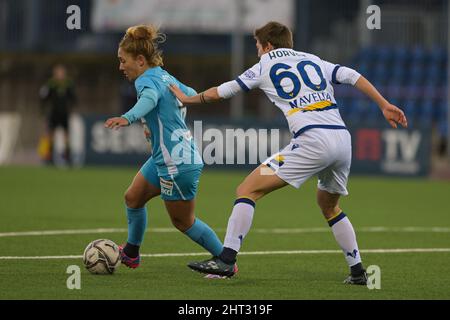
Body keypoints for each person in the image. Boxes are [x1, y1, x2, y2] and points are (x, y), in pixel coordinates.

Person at [170, 21, 408, 284]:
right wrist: (384, 104)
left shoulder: (264, 64)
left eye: (258, 46)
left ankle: (225, 260)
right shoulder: (312, 59)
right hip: (342, 140)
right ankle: (358, 272)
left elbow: (223, 92)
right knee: (329, 206)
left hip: (312, 140)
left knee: (247, 189)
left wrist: (187, 98)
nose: (258, 52)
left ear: (268, 46)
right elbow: (352, 76)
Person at [104, 25, 225, 271]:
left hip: (176, 163)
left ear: (139, 60)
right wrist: (159, 117)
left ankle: (226, 260)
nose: (120, 66)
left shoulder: (145, 81)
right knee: (133, 198)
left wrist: (129, 117)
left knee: (183, 222)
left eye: (122, 60)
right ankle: (131, 253)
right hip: (167, 157)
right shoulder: (164, 75)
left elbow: (148, 99)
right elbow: (188, 94)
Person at [39, 64, 76, 165]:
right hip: (53, 113)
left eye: (62, 72)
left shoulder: (68, 84)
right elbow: (43, 97)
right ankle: (49, 157)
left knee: (66, 135)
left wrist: (72, 108)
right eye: (58, 72)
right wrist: (42, 111)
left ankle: (67, 156)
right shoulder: (51, 84)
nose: (60, 74)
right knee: (50, 134)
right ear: (55, 73)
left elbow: (73, 98)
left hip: (64, 113)